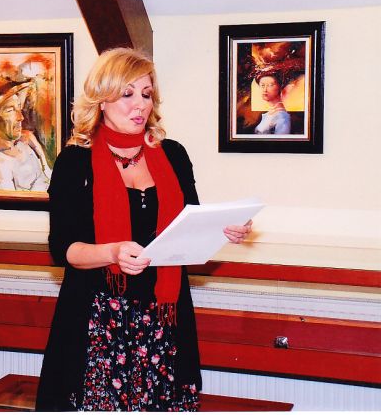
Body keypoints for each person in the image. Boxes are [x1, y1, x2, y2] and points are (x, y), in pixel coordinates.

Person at [36, 48, 252, 411]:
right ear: (102, 100)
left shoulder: (173, 155)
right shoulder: (75, 161)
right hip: (99, 320)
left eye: (147, 94)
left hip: (163, 318)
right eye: (127, 94)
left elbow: (188, 228)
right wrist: (112, 252)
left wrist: (222, 230)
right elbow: (63, 249)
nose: (140, 104)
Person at [0, 75, 52, 190]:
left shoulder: (24, 140)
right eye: (10, 110)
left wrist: (42, 158)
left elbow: (47, 174)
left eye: (19, 108)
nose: (21, 117)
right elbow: (18, 201)